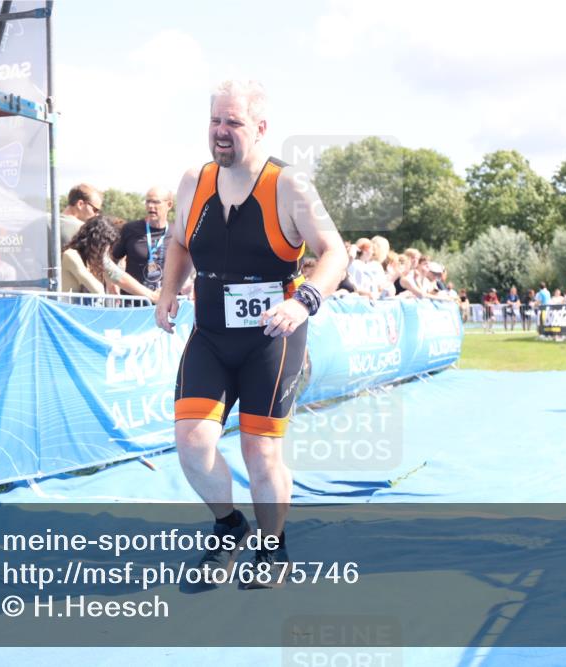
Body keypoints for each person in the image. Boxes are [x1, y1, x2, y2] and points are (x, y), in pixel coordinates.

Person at [155, 80, 345, 589]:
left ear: (261, 128)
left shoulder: (289, 185)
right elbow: (178, 243)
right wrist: (168, 290)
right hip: (212, 332)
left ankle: (273, 545)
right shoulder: (194, 180)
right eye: (215, 120)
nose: (220, 132)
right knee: (192, 443)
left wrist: (304, 301)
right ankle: (229, 526)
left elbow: (335, 252)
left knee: (261, 453)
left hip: (272, 336)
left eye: (232, 123)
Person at [61, 215, 157, 299]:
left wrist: (152, 295)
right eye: (106, 245)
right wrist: (107, 276)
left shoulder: (96, 259)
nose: (107, 250)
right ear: (97, 242)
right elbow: (97, 290)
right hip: (69, 314)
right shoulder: (71, 255)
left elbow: (120, 277)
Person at [112, 186, 173, 299]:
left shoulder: (177, 233)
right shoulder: (130, 229)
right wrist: (112, 284)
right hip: (134, 302)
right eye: (148, 201)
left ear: (169, 205)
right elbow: (112, 259)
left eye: (155, 202)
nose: (150, 206)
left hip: (164, 302)